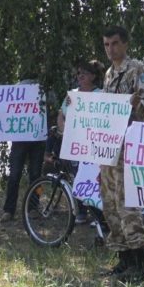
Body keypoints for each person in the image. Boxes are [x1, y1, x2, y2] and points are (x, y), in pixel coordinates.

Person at [99, 25, 144, 282]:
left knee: (127, 204)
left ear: (125, 44)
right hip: (108, 148)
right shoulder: (109, 74)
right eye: (107, 44)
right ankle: (123, 258)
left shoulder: (137, 69)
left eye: (115, 43)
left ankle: (139, 263)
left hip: (129, 148)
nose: (111, 49)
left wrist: (134, 106)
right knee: (110, 203)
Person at [56, 60, 105, 224]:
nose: (80, 76)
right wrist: (63, 130)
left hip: (95, 145)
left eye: (84, 73)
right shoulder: (73, 95)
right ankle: (82, 213)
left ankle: (98, 216)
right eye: (78, 73)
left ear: (93, 76)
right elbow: (61, 114)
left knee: (95, 179)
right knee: (77, 176)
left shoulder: (101, 94)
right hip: (76, 145)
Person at [0, 77, 46, 223]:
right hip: (20, 140)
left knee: (36, 176)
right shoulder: (16, 89)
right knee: (14, 176)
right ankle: (9, 210)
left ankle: (33, 207)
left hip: (38, 139)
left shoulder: (43, 89)